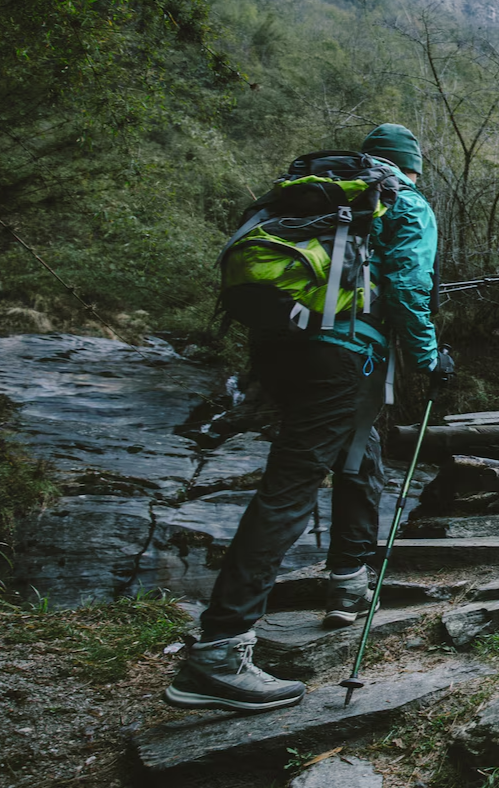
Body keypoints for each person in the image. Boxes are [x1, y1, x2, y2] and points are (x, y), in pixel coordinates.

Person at [165, 124, 452, 713]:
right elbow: (406, 283)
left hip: (281, 346)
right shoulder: (405, 199)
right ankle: (218, 651)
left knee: (359, 448)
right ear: (410, 167)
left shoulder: (316, 191)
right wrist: (429, 357)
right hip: (340, 353)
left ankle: (347, 578)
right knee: (291, 488)